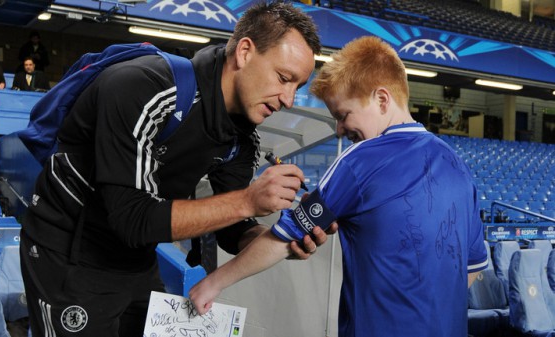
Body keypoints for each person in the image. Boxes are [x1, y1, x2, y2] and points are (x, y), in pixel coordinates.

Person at [20, 2, 334, 337]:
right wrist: (248, 200)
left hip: (136, 261)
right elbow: (133, 219)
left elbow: (232, 227)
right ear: (244, 51)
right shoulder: (140, 85)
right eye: (284, 78)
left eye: (296, 87)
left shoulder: (242, 138)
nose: (288, 99)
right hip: (69, 255)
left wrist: (278, 240)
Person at [189, 36, 488, 337]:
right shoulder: (458, 167)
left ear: (382, 100)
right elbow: (473, 266)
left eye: (343, 116)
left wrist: (213, 284)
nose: (340, 131)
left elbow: (283, 238)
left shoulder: (362, 158)